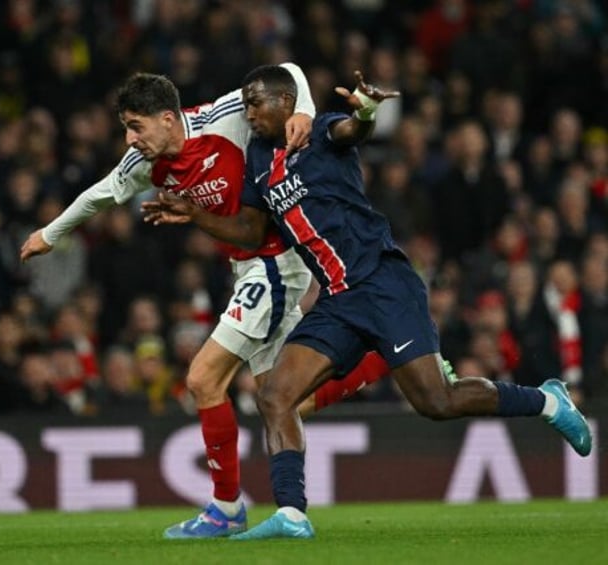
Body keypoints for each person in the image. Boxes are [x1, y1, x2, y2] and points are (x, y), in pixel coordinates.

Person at [143, 65, 593, 540]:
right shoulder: (257, 157)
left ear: (284, 102)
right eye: (247, 104)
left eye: (256, 103)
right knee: (275, 395)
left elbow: (352, 129)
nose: (248, 112)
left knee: (436, 401)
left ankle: (546, 401)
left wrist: (369, 109)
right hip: (338, 299)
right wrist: (196, 215)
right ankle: (292, 514)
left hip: (385, 284)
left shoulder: (318, 132)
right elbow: (252, 232)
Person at [20, 65, 395, 539]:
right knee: (280, 398)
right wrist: (49, 235)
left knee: (202, 378)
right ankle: (382, 362)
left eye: (136, 126)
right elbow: (99, 195)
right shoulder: (142, 164)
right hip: (246, 264)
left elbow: (292, 71)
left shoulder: (225, 115)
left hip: (276, 261)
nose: (130, 140)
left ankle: (225, 508)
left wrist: (301, 110)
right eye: (125, 129)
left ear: (167, 118)